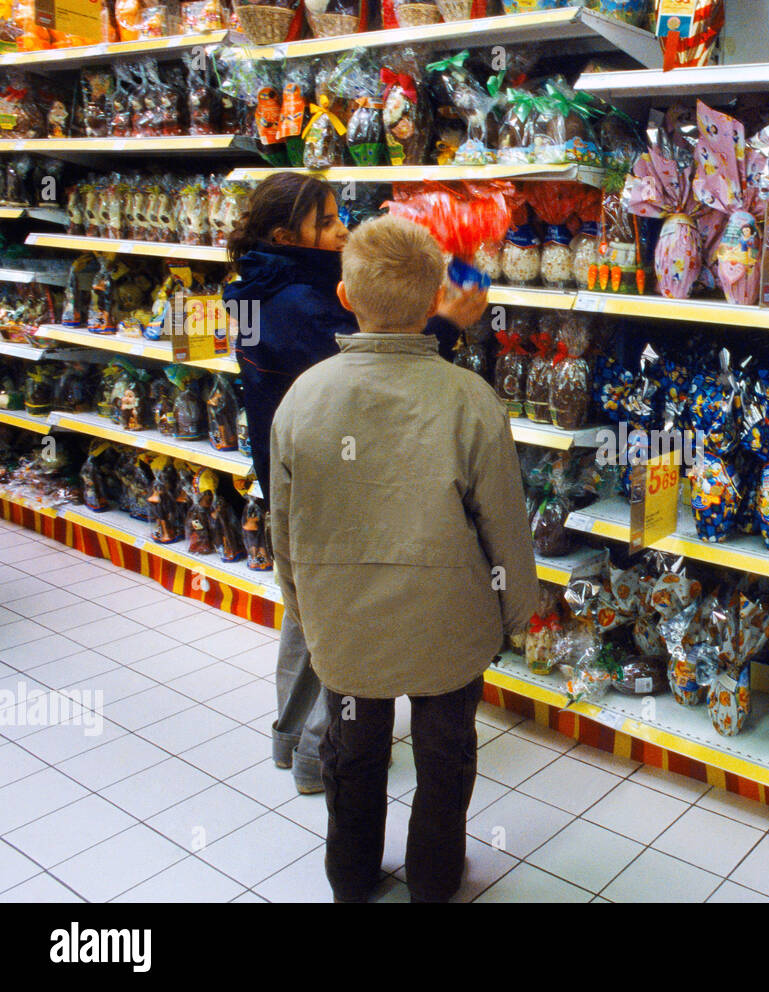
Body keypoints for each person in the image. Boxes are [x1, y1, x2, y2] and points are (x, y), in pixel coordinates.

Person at [268, 215, 537, 903]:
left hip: (348, 631)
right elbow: (506, 529)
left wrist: (307, 611)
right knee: (445, 757)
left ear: (346, 295)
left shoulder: (304, 399)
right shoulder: (471, 402)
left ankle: (352, 877)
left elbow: (285, 533)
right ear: (435, 301)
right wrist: (514, 617)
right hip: (449, 630)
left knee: (353, 756)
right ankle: (433, 879)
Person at [224, 173, 481, 795]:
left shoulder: (261, 288)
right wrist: (441, 327)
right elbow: (363, 386)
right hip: (331, 479)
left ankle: (293, 741)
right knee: (327, 620)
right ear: (288, 235)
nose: (344, 230)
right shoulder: (299, 306)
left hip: (292, 473)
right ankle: (319, 755)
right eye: (329, 223)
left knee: (305, 610)